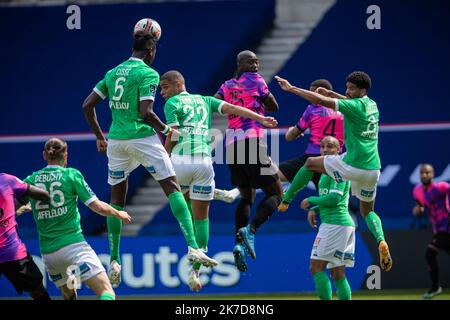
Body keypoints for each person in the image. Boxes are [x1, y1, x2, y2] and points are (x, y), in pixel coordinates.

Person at [82, 30, 218, 287]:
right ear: (151, 51)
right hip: (142, 138)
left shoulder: (112, 73)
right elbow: (146, 113)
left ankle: (113, 259)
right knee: (172, 187)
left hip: (117, 142)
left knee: (116, 201)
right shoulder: (148, 73)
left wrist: (100, 136)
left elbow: (87, 105)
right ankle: (192, 247)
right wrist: (166, 130)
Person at [160, 70, 278, 290]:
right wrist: (260, 118)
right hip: (204, 163)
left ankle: (193, 248)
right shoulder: (205, 100)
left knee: (182, 206)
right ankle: (195, 272)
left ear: (178, 84)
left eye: (165, 87)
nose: (162, 93)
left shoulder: (172, 103)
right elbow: (233, 109)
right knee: (202, 218)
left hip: (181, 160)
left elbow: (173, 134)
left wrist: (164, 156)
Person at [275, 71, 392, 272]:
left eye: (352, 89)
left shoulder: (353, 105)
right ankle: (381, 240)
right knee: (368, 211)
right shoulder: (372, 105)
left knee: (310, 163)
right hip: (373, 169)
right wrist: (333, 93)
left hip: (353, 164)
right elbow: (347, 100)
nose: (347, 91)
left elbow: (320, 100)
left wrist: (292, 88)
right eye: (347, 87)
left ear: (362, 90)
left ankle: (286, 200)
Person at [21, 138, 132, 300]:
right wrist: (117, 213)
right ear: (65, 155)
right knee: (106, 291)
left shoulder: (31, 180)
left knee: (69, 295)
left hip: (49, 254)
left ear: (44, 155)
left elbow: (14, 201)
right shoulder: (71, 175)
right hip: (74, 247)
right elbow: (97, 207)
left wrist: (22, 209)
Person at [214, 78, 344, 201]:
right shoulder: (345, 112)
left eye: (312, 93)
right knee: (339, 198)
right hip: (337, 159)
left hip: (312, 158)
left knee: (268, 173)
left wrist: (292, 130)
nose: (310, 96)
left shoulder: (313, 110)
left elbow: (290, 136)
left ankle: (234, 193)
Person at [214, 50, 283, 272]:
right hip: (251, 140)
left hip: (231, 146)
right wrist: (258, 102)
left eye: (256, 61)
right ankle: (250, 231)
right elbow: (273, 105)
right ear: (240, 64)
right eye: (250, 61)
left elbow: (214, 103)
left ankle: (238, 245)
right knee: (276, 194)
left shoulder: (226, 86)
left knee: (246, 197)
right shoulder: (257, 80)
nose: (255, 64)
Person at [302, 136, 354, 300]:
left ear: (339, 149)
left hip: (335, 224)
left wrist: (311, 200)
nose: (325, 150)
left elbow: (334, 199)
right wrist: (316, 209)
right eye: (322, 146)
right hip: (339, 224)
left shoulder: (338, 170)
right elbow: (338, 199)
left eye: (330, 146)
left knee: (316, 267)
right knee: (337, 273)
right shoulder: (328, 171)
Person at [0, 173, 51, 300]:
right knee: (38, 291)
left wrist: (17, 210)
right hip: (12, 254)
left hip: (11, 253)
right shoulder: (6, 180)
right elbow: (44, 195)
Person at [412, 163, 450, 299]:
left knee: (430, 253)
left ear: (433, 175)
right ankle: (435, 287)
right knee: (430, 254)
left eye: (427, 172)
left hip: (447, 227)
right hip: (438, 230)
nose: (424, 175)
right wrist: (418, 209)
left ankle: (435, 287)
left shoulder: (441, 187)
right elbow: (420, 205)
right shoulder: (417, 190)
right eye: (422, 172)